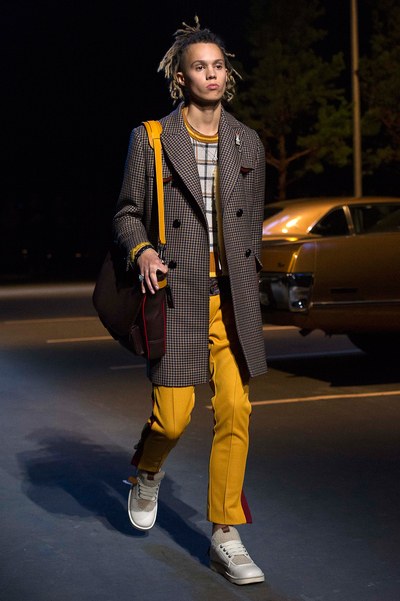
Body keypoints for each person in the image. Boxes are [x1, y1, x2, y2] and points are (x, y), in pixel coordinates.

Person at [113, 17, 267, 586]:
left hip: (231, 300)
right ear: (180, 77)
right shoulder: (152, 138)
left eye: (218, 65)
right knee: (172, 419)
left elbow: (251, 227)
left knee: (236, 411)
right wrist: (143, 252)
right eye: (200, 67)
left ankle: (226, 533)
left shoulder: (247, 142)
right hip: (177, 297)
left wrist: (253, 280)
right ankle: (148, 471)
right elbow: (126, 213)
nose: (212, 74)